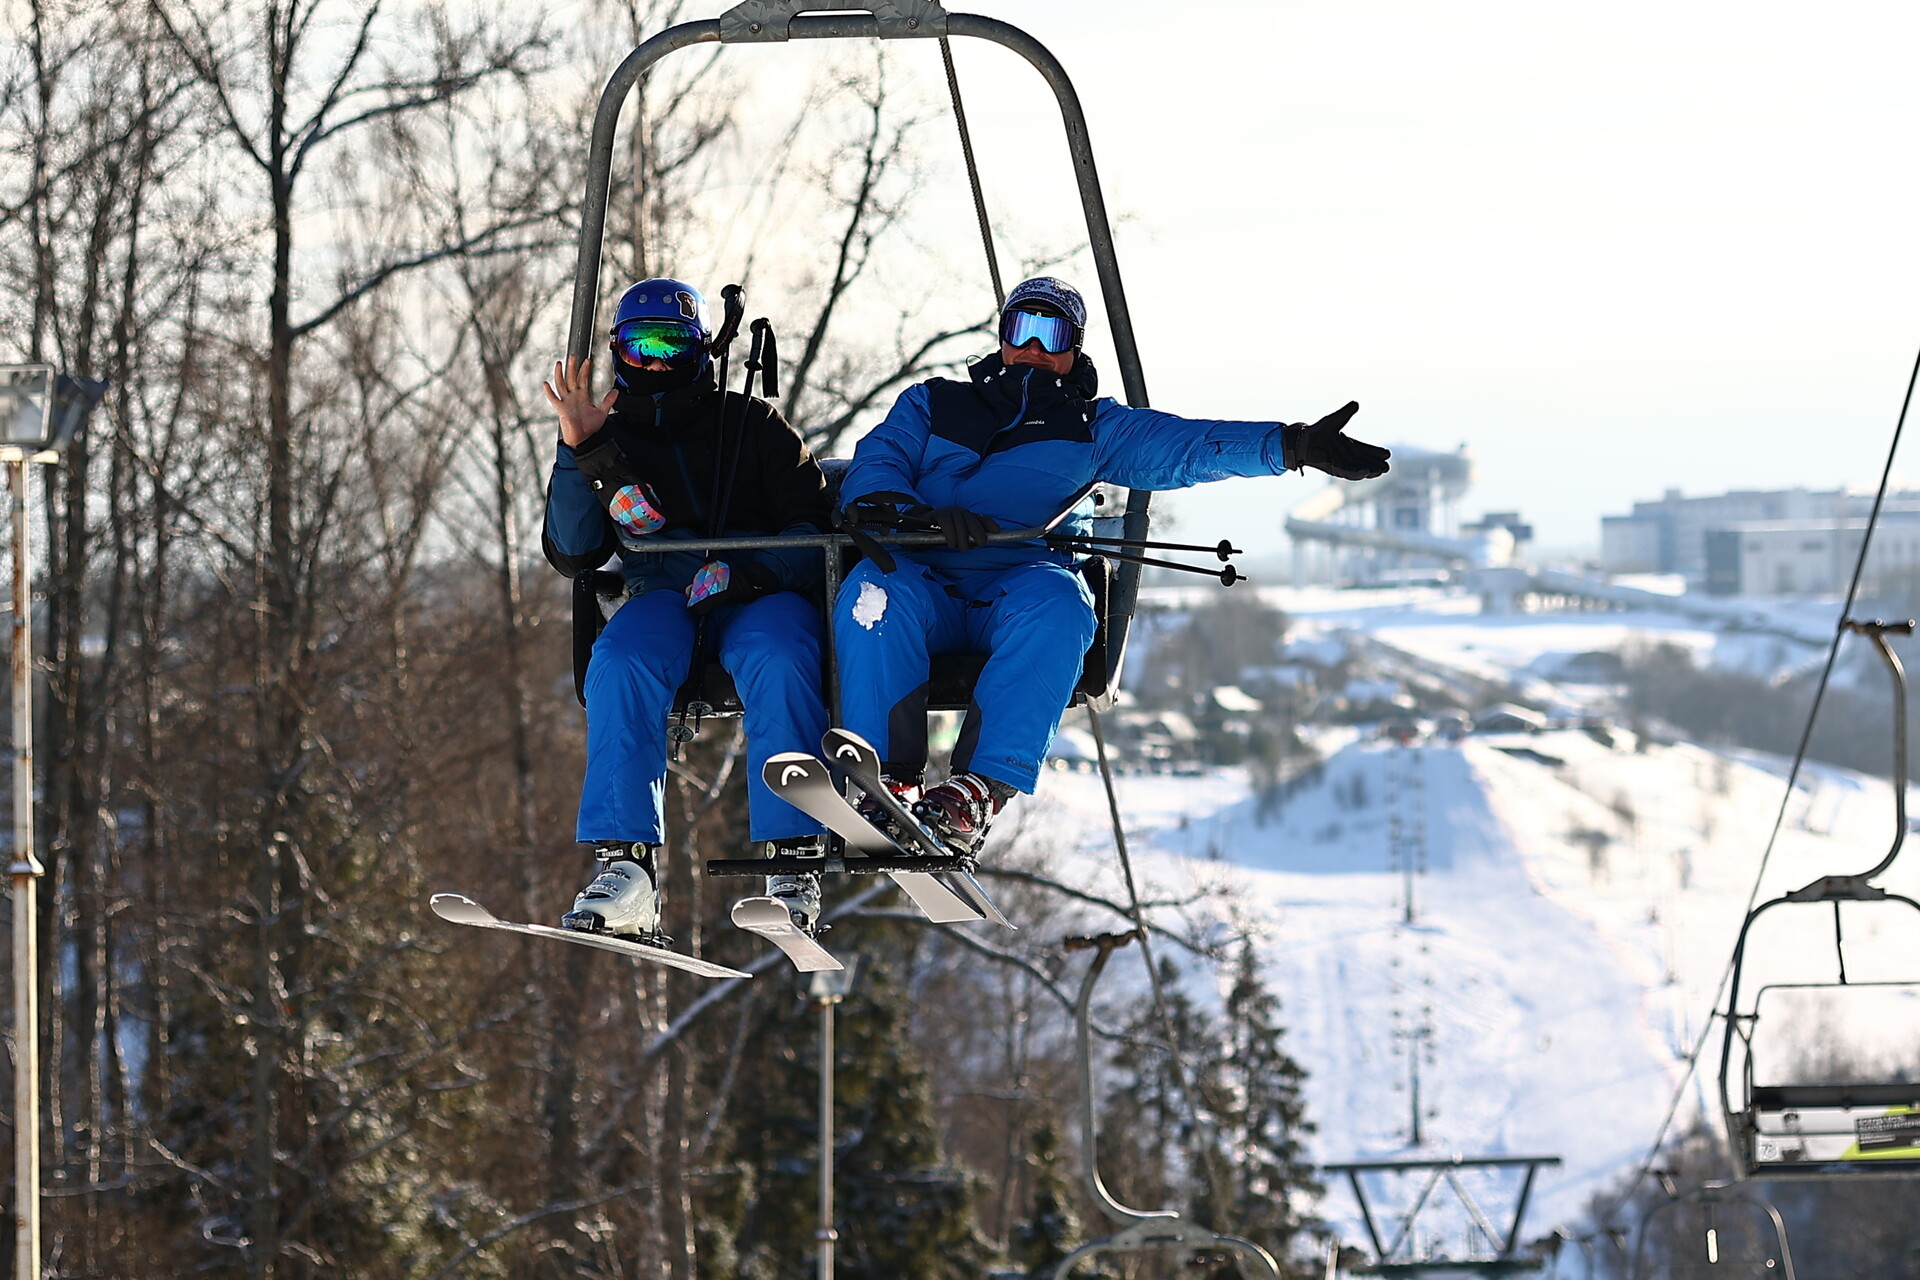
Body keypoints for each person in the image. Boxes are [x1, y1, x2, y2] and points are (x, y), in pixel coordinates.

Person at [833, 275, 1390, 856]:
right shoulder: (933, 403)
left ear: (1073, 349)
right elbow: (879, 462)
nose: (1034, 349)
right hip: (925, 579)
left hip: (1019, 583)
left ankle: (975, 792)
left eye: (1051, 335)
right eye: (1021, 329)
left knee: (1061, 606)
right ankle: (886, 779)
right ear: (1001, 337)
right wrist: (910, 515)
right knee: (875, 594)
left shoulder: (1093, 426)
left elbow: (1188, 446)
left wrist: (1293, 446)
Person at [542, 277, 832, 941]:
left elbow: (813, 532)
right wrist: (578, 450)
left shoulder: (753, 429)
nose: (656, 361)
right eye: (641, 347)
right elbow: (573, 551)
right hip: (662, 592)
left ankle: (792, 858)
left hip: (756, 593)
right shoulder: (610, 441)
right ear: (620, 351)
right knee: (619, 659)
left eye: (672, 344)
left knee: (782, 652)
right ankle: (628, 868)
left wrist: (752, 570)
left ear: (700, 348)